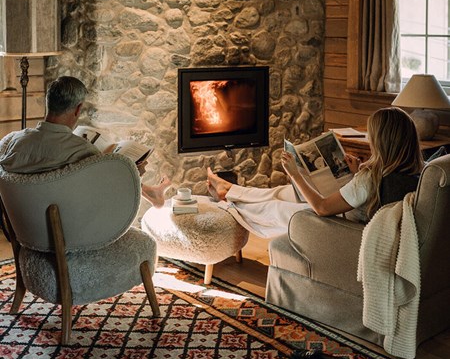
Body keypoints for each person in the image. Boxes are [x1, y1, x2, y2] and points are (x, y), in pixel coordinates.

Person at [207, 107, 424, 238]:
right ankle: (231, 189)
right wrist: (356, 172)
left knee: (277, 208)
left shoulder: (371, 178)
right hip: (347, 207)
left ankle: (229, 204)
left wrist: (295, 174)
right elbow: (368, 194)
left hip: (343, 226)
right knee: (283, 192)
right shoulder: (418, 171)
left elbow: (321, 208)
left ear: (381, 141)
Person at [0, 76, 170, 207]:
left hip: (25, 227)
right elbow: (105, 195)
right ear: (78, 108)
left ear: (48, 103)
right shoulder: (83, 151)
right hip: (71, 228)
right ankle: (151, 193)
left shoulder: (13, 141)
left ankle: (151, 193)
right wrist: (133, 173)